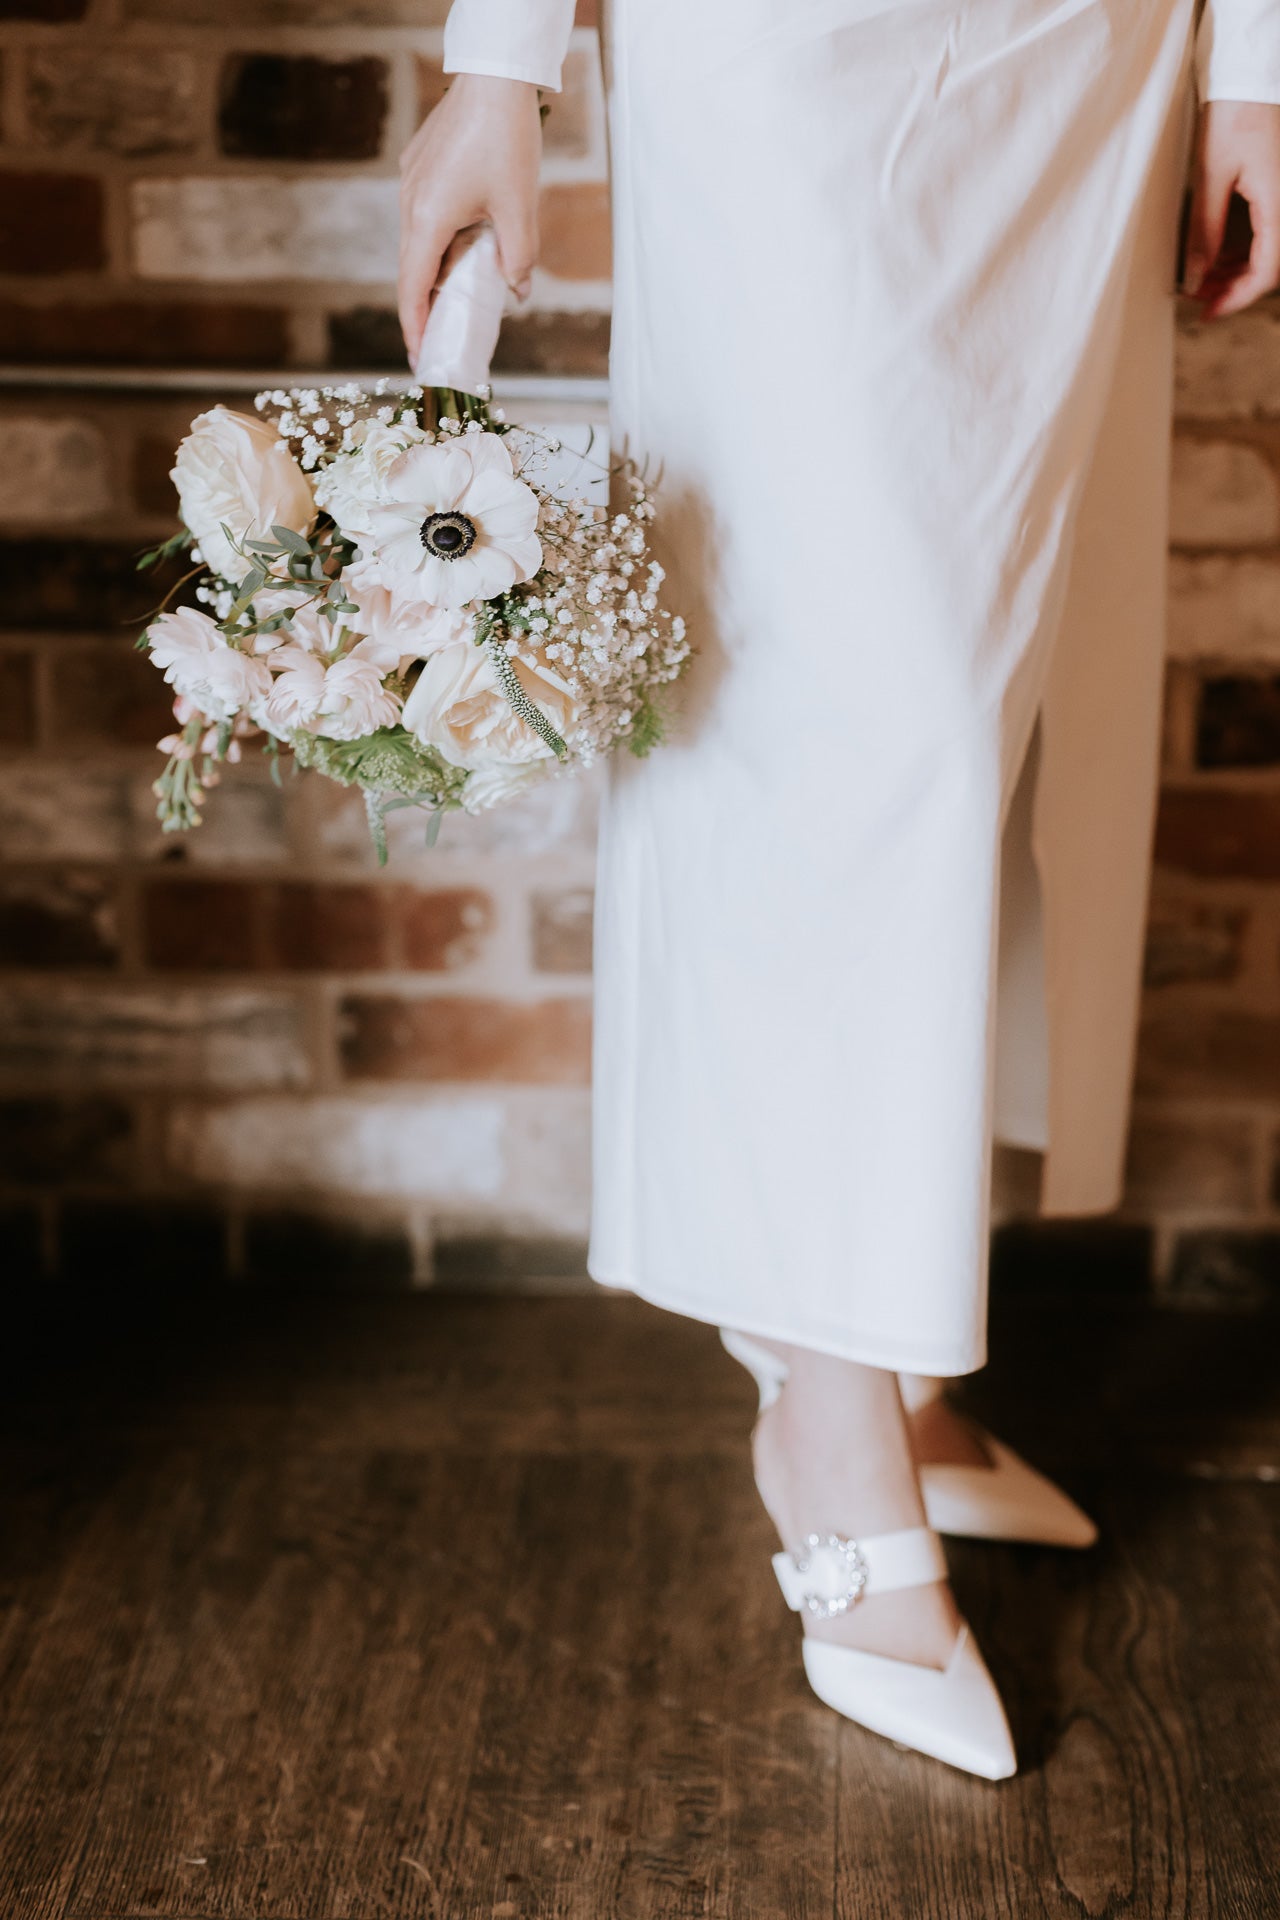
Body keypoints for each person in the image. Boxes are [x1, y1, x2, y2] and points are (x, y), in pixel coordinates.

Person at [398, 0, 1280, 1778]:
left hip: (1088, 44)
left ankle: (894, 1335)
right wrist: (498, 66)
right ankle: (826, 1405)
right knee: (835, 703)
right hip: (783, 45)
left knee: (1025, 685)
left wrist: (1252, 64)